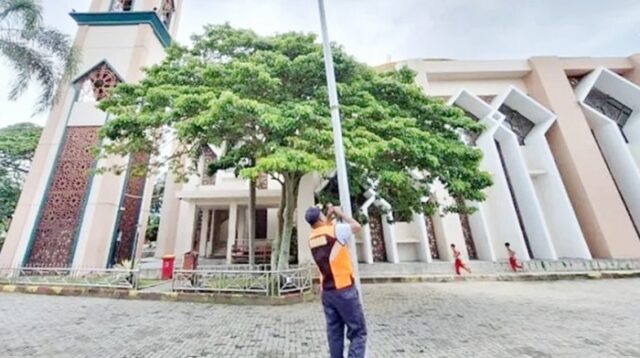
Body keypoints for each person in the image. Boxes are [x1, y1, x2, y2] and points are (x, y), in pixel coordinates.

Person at [305, 204, 367, 358]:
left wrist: (328, 216)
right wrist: (340, 213)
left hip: (327, 292)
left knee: (335, 334)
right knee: (358, 332)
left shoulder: (312, 237)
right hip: (344, 289)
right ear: (320, 217)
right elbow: (356, 226)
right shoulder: (335, 230)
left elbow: (325, 230)